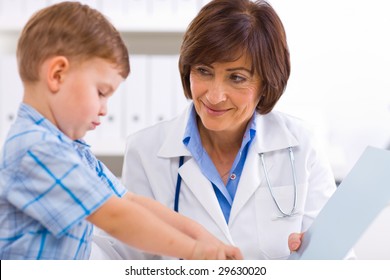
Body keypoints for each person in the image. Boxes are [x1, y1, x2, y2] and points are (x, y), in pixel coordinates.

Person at [91, 0, 337, 260]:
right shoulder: (146, 149)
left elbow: (337, 259)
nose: (215, 95)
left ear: (267, 81)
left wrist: (312, 258)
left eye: (237, 77)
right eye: (204, 71)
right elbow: (121, 256)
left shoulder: (301, 144)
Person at [0, 1, 243, 260]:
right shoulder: (36, 149)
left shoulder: (71, 149)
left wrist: (205, 238)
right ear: (58, 75)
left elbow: (130, 202)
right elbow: (114, 216)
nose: (105, 110)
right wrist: (194, 251)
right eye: (101, 93)